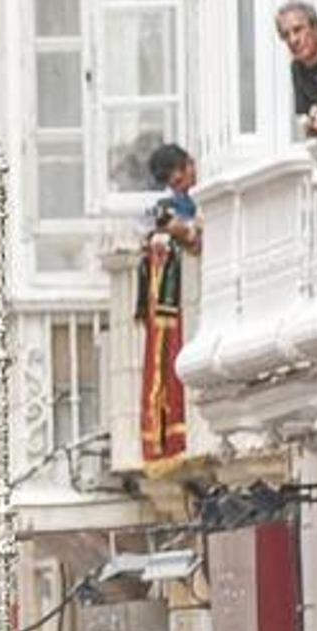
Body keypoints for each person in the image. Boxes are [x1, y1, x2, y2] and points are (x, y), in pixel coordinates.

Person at [135, 143, 201, 465]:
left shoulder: (203, 195)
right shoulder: (167, 205)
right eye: (172, 184)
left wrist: (183, 230)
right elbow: (147, 229)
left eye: (179, 179)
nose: (179, 188)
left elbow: (196, 238)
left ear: (189, 164)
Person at [276, 0, 317, 137]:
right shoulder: (297, 68)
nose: (293, 40)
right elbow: (304, 118)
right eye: (286, 35)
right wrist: (312, 123)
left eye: (298, 30)